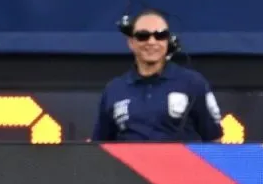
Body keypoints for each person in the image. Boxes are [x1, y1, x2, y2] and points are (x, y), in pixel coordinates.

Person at [90, 9, 224, 142]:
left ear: (167, 41)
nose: (152, 42)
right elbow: (99, 147)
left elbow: (215, 140)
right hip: (126, 164)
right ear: (131, 42)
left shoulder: (193, 83)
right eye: (143, 36)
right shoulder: (114, 89)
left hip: (181, 164)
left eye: (160, 35)